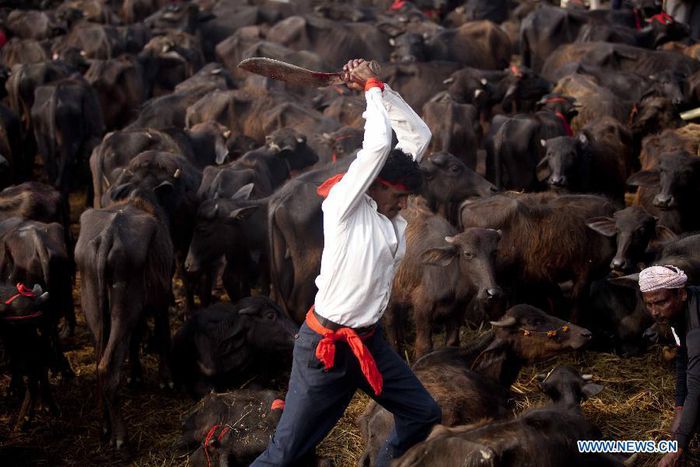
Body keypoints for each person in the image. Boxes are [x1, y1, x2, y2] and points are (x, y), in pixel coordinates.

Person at [251, 59, 441, 467]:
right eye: (398, 194)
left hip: (368, 344)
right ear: (373, 184)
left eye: (408, 195)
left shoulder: (388, 209)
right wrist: (368, 87)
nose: (405, 202)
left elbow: (418, 135)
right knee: (283, 456)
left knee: (424, 413)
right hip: (326, 349)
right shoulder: (345, 205)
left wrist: (381, 89)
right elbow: (375, 148)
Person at [639, 265, 700, 467]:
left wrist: (678, 445)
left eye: (661, 302)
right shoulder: (678, 313)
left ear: (680, 293)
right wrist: (679, 409)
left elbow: (697, 379)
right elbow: (683, 357)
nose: (654, 312)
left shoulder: (697, 321)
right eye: (649, 305)